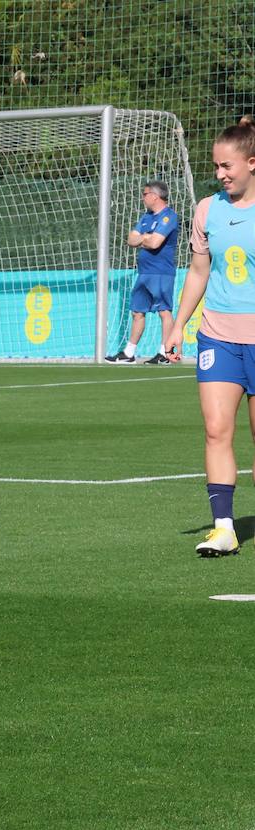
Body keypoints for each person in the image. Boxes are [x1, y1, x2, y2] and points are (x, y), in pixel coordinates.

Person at [162, 117, 255, 557]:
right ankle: (224, 528)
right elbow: (200, 271)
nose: (220, 174)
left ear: (251, 163)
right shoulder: (207, 209)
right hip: (217, 336)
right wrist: (180, 324)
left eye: (227, 166)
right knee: (217, 430)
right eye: (216, 166)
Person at [106, 181, 180, 364]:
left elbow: (155, 243)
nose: (143, 197)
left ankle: (165, 353)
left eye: (145, 194)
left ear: (155, 196)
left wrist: (144, 237)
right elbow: (131, 239)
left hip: (161, 272)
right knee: (137, 312)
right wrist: (146, 237)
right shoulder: (146, 217)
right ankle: (129, 353)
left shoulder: (168, 217)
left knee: (164, 311)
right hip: (144, 272)